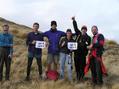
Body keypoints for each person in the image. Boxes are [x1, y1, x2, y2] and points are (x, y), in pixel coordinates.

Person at [71, 17, 91, 82]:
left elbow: (88, 46)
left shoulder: (88, 38)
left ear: (86, 30)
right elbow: (75, 27)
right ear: (81, 30)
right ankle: (78, 77)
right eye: (83, 29)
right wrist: (74, 20)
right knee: (77, 66)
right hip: (76, 54)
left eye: (85, 29)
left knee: (82, 67)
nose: (83, 30)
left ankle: (82, 77)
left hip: (83, 55)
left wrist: (86, 52)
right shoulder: (78, 34)